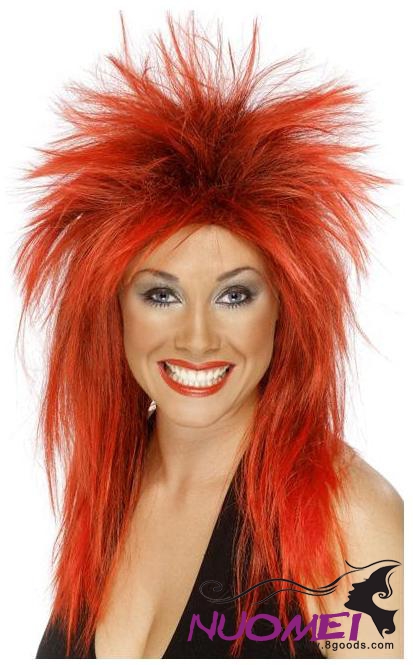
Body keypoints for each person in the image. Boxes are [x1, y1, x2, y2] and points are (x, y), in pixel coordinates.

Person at [14, 11, 403, 659]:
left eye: (234, 294)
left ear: (285, 307)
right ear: (114, 308)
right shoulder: (113, 482)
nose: (197, 339)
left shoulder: (347, 518)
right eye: (161, 294)